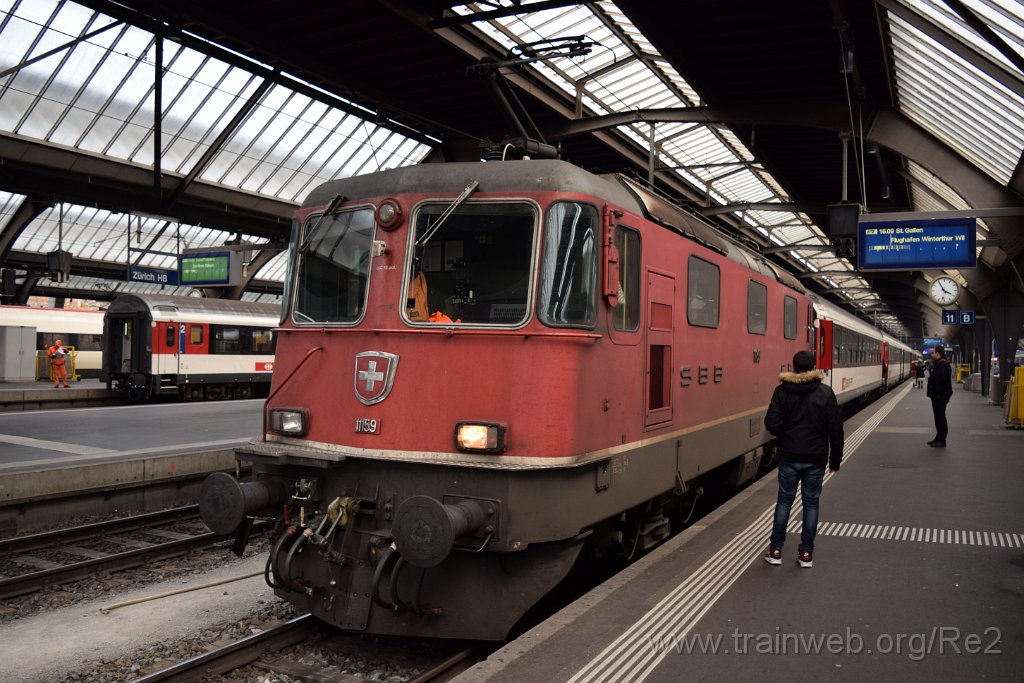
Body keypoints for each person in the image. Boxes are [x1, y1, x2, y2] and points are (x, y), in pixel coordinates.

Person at [763, 350, 844, 569]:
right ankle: (806, 553)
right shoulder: (825, 392)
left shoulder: (781, 391)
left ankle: (775, 550)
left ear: (794, 367)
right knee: (811, 503)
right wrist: (835, 460)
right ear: (814, 367)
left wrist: (784, 434)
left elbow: (771, 423)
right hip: (816, 457)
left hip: (789, 454)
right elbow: (836, 429)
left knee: (784, 501)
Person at [926, 346, 953, 447]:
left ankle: (941, 440)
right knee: (938, 417)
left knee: (940, 417)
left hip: (940, 396)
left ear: (937, 354)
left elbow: (940, 381)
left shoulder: (942, 364)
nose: (932, 354)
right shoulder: (940, 364)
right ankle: (938, 438)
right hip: (939, 395)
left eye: (933, 352)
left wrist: (936, 394)